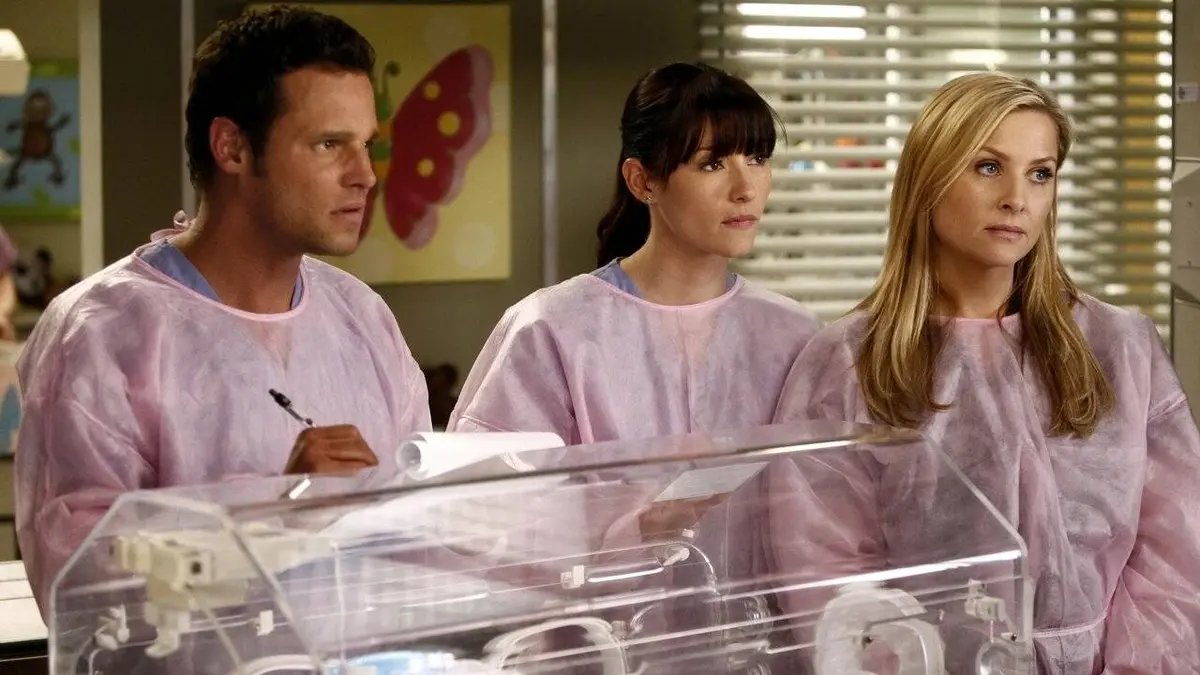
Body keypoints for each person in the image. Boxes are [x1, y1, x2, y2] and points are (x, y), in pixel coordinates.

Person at [769, 72, 1200, 672]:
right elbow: (827, 572)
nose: (1017, 198)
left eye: (1040, 173)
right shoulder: (849, 362)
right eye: (988, 167)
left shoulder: (1120, 347)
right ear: (929, 178)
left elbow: (1176, 552)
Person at [14, 6, 431, 618]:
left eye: (366, 145)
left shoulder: (363, 319)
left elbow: (423, 528)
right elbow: (79, 585)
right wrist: (275, 514)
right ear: (232, 147)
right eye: (328, 144)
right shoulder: (101, 332)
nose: (365, 176)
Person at [449, 62, 821, 444]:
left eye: (757, 159)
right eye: (712, 164)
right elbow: (490, 474)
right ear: (642, 181)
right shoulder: (551, 330)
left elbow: (823, 475)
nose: (746, 189)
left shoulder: (795, 336)